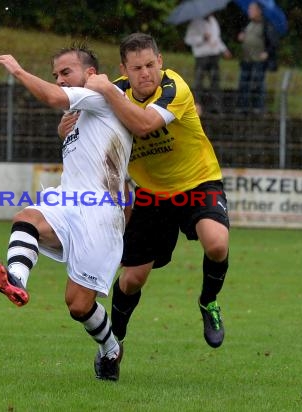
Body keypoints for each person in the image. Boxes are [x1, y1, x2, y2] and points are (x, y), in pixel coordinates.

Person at [61, 33, 230, 353]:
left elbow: (142, 125)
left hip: (198, 182)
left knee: (217, 243)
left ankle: (209, 302)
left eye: (151, 65)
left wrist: (109, 91)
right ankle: (113, 343)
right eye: (137, 67)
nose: (146, 73)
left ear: (161, 62)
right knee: (132, 280)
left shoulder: (174, 89)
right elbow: (77, 122)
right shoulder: (115, 92)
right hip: (151, 195)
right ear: (125, 68)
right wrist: (65, 127)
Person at [0, 45, 132, 381]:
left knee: (78, 305)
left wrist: (19, 71)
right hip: (67, 202)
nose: (60, 80)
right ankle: (15, 279)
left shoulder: (101, 96)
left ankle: (111, 348)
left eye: (66, 72)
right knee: (27, 218)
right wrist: (63, 132)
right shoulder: (78, 114)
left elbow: (53, 98)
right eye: (56, 75)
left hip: (101, 214)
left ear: (90, 74)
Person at [236, 1, 280, 115]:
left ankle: (258, 108)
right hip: (246, 60)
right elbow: (244, 35)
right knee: (243, 84)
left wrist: (267, 53)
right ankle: (243, 107)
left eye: (252, 9)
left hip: (258, 61)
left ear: (259, 11)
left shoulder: (266, 25)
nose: (249, 11)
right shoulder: (248, 23)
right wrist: (241, 36)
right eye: (249, 9)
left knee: (258, 84)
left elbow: (273, 42)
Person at [184, 14, 232, 115]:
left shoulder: (213, 20)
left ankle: (216, 107)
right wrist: (202, 38)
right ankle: (197, 106)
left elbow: (217, 38)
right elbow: (188, 39)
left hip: (214, 55)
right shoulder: (195, 23)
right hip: (201, 56)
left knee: (215, 81)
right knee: (198, 82)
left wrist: (224, 49)